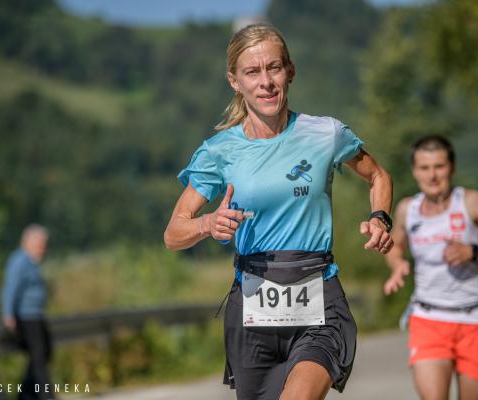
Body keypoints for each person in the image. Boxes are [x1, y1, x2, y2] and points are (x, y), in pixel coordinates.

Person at [164, 23, 393, 400]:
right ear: (235, 81)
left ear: (290, 70)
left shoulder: (326, 134)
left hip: (319, 300)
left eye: (274, 68)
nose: (266, 82)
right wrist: (208, 223)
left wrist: (380, 217)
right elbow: (174, 234)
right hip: (252, 312)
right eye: (252, 72)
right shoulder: (220, 151)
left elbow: (378, 176)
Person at [383, 135, 478, 400]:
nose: (432, 175)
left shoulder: (471, 201)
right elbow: (394, 246)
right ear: (415, 171)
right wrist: (397, 264)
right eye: (424, 168)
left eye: (439, 166)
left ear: (452, 168)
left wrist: (473, 251)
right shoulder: (407, 209)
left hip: (475, 318)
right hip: (428, 318)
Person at [1, 224, 54, 400]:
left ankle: (25, 395)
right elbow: (10, 288)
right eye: (40, 244)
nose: (43, 249)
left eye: (44, 245)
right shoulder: (19, 261)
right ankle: (46, 396)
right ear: (28, 242)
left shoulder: (32, 262)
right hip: (26, 317)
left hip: (36, 315)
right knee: (38, 356)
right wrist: (8, 314)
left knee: (44, 353)